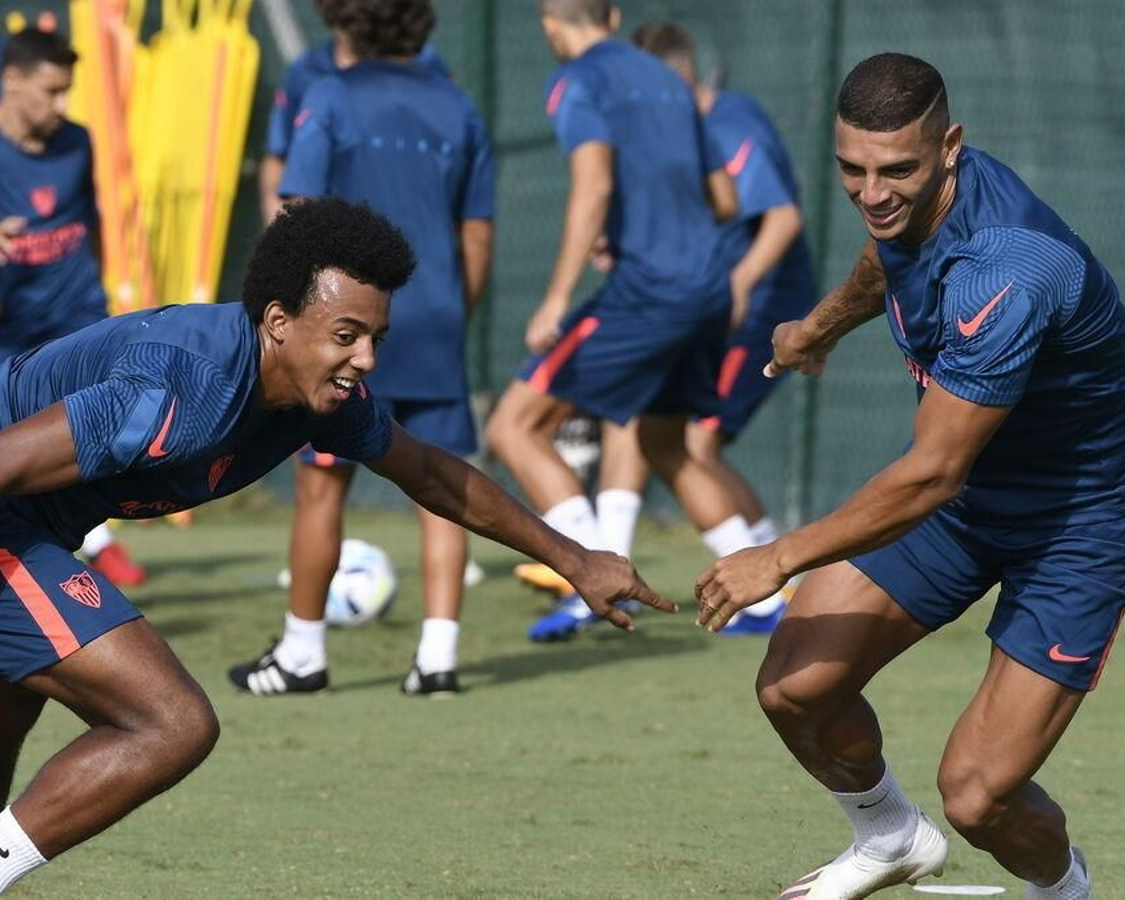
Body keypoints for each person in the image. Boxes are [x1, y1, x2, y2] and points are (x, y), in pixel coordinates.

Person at [0, 198, 672, 899]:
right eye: (345, 335)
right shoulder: (182, 387)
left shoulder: (321, 398)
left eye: (374, 339)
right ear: (279, 322)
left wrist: (576, 555)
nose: (363, 360)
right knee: (172, 722)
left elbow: (432, 474)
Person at [693, 53, 1125, 898]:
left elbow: (932, 474)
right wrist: (816, 330)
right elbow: (887, 262)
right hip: (978, 490)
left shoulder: (1009, 270)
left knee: (980, 795)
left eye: (898, 170)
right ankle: (888, 840)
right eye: (852, 168)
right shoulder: (914, 208)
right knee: (795, 688)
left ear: (950, 146)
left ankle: (1067, 890)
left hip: (1084, 516)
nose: (872, 192)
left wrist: (777, 558)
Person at [229, 0, 493, 696]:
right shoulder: (459, 107)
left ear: (343, 23)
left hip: (344, 328)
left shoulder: (330, 95)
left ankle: (302, 655)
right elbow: (477, 236)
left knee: (320, 489)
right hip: (433, 319)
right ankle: (438, 660)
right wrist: (448, 315)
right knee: (445, 488)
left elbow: (297, 215)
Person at [484, 0, 745, 642]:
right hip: (707, 288)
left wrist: (556, 297)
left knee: (515, 427)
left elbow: (593, 185)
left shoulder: (579, 79)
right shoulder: (666, 78)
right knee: (664, 443)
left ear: (550, 19)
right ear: (613, 14)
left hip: (647, 291)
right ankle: (766, 597)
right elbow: (726, 198)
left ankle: (594, 575)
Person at [607, 20, 816, 635]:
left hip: (761, 311)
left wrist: (737, 289)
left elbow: (780, 220)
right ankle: (779, 585)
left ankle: (770, 595)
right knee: (680, 438)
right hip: (715, 307)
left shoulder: (729, 123)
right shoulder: (681, 131)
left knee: (690, 444)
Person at [0, 27, 147, 588]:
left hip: (72, 316)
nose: (62, 105)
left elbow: (86, 222)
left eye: (68, 90)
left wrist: (104, 289)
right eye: (51, 91)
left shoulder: (77, 142)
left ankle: (93, 540)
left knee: (88, 431)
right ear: (11, 81)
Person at [257, 0, 449, 223]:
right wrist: (279, 229)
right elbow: (278, 159)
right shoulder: (306, 73)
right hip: (335, 238)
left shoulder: (425, 65)